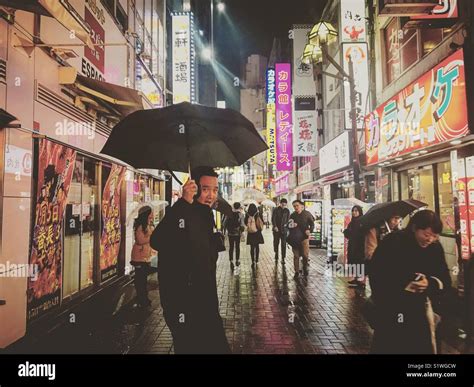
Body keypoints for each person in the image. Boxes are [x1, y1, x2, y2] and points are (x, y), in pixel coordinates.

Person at [150, 166, 230, 354]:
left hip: (206, 300)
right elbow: (157, 240)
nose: (211, 195)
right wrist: (183, 203)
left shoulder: (206, 215)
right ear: (193, 188)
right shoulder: (183, 211)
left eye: (215, 190)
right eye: (205, 189)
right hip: (183, 302)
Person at [369, 210, 451, 354]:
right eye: (426, 234)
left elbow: (445, 280)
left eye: (434, 236)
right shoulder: (393, 241)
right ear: (414, 228)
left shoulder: (435, 248)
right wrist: (402, 285)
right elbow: (376, 274)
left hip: (421, 315)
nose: (430, 239)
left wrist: (429, 283)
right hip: (392, 311)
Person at [131, 205, 157, 308]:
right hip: (139, 256)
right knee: (140, 279)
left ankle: (143, 298)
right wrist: (152, 237)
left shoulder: (148, 224)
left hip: (145, 256)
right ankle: (142, 299)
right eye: (151, 212)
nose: (152, 214)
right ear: (146, 213)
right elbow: (140, 241)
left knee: (143, 279)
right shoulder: (140, 226)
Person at [289, 200, 315, 279]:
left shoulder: (307, 214)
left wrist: (310, 230)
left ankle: (304, 268)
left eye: (297, 205)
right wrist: (292, 226)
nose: (296, 207)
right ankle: (296, 271)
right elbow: (288, 225)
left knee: (305, 255)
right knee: (296, 256)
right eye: (294, 206)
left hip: (304, 238)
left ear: (301, 206)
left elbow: (312, 224)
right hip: (295, 239)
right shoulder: (292, 215)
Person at [343, 205, 365, 287]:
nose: (354, 212)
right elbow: (349, 234)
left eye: (356, 211)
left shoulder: (362, 222)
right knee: (353, 260)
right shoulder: (352, 222)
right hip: (353, 245)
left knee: (359, 261)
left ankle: (361, 281)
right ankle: (356, 279)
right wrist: (346, 232)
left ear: (360, 212)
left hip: (360, 245)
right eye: (353, 211)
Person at [225, 202, 245, 271]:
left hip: (230, 233)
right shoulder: (241, 215)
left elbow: (225, 224)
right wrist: (241, 230)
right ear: (239, 207)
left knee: (231, 247)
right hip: (237, 234)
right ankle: (237, 260)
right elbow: (242, 225)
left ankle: (231, 260)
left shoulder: (229, 214)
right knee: (237, 247)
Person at [245, 203, 264, 267]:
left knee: (252, 247)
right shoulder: (258, 213)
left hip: (250, 233)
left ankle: (253, 260)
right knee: (257, 246)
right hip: (257, 232)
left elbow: (245, 222)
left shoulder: (247, 214)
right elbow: (262, 222)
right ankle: (257, 260)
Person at [272, 198, 290, 263]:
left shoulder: (287, 211)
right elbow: (273, 219)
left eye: (285, 205)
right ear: (280, 203)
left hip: (284, 230)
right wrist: (275, 226)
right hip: (276, 230)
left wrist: (287, 227)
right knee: (276, 243)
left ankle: (283, 258)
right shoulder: (276, 210)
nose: (283, 206)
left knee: (283, 244)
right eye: (282, 204)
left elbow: (288, 220)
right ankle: (276, 253)